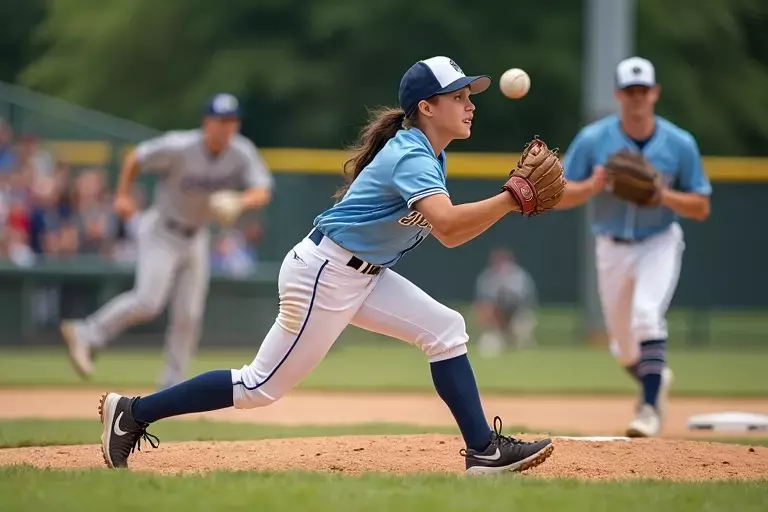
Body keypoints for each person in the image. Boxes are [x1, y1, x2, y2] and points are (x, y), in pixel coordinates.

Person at [96, 56, 561, 474]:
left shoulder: (429, 155)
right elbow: (449, 226)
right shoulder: (412, 154)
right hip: (327, 273)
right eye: (457, 96)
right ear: (427, 107)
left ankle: (483, 450)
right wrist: (510, 198)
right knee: (258, 387)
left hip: (362, 275)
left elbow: (449, 233)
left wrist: (509, 200)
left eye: (468, 96)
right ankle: (133, 413)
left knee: (445, 330)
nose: (470, 104)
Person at [61, 93, 274, 390]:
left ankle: (172, 383)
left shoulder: (241, 151)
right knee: (148, 301)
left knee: (189, 314)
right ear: (206, 122)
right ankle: (87, 333)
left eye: (231, 121)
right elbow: (136, 158)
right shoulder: (179, 146)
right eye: (220, 120)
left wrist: (241, 201)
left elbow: (263, 189)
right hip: (162, 230)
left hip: (196, 236)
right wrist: (122, 194)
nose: (226, 127)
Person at [556, 57, 711, 437]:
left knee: (646, 315)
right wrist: (590, 186)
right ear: (618, 94)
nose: (637, 98)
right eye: (630, 91)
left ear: (655, 93)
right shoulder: (594, 139)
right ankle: (655, 376)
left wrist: (664, 195)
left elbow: (701, 206)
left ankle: (648, 408)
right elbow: (558, 194)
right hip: (611, 246)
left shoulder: (679, 143)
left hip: (659, 241)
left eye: (643, 90)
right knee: (624, 348)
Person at [474, 249, 538, 356]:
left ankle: (523, 351)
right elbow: (483, 304)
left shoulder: (519, 276)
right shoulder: (487, 278)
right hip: (496, 317)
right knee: (490, 342)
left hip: (517, 314)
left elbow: (526, 301)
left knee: (523, 325)